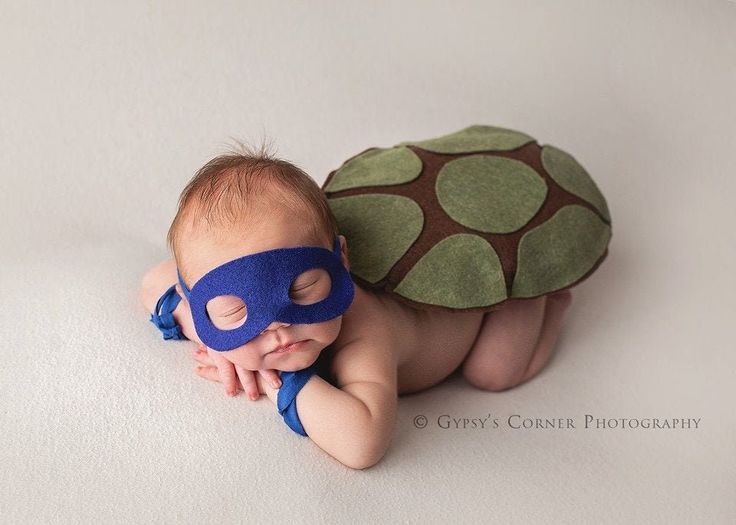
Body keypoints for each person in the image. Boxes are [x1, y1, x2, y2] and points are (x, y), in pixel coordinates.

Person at [138, 142, 572, 470]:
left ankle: (541, 292)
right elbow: (155, 281)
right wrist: (216, 338)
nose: (279, 328)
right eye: (234, 311)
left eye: (304, 287)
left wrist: (271, 380)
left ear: (339, 260)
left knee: (493, 371)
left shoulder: (364, 333)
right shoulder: (208, 304)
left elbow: (362, 443)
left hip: (479, 294)